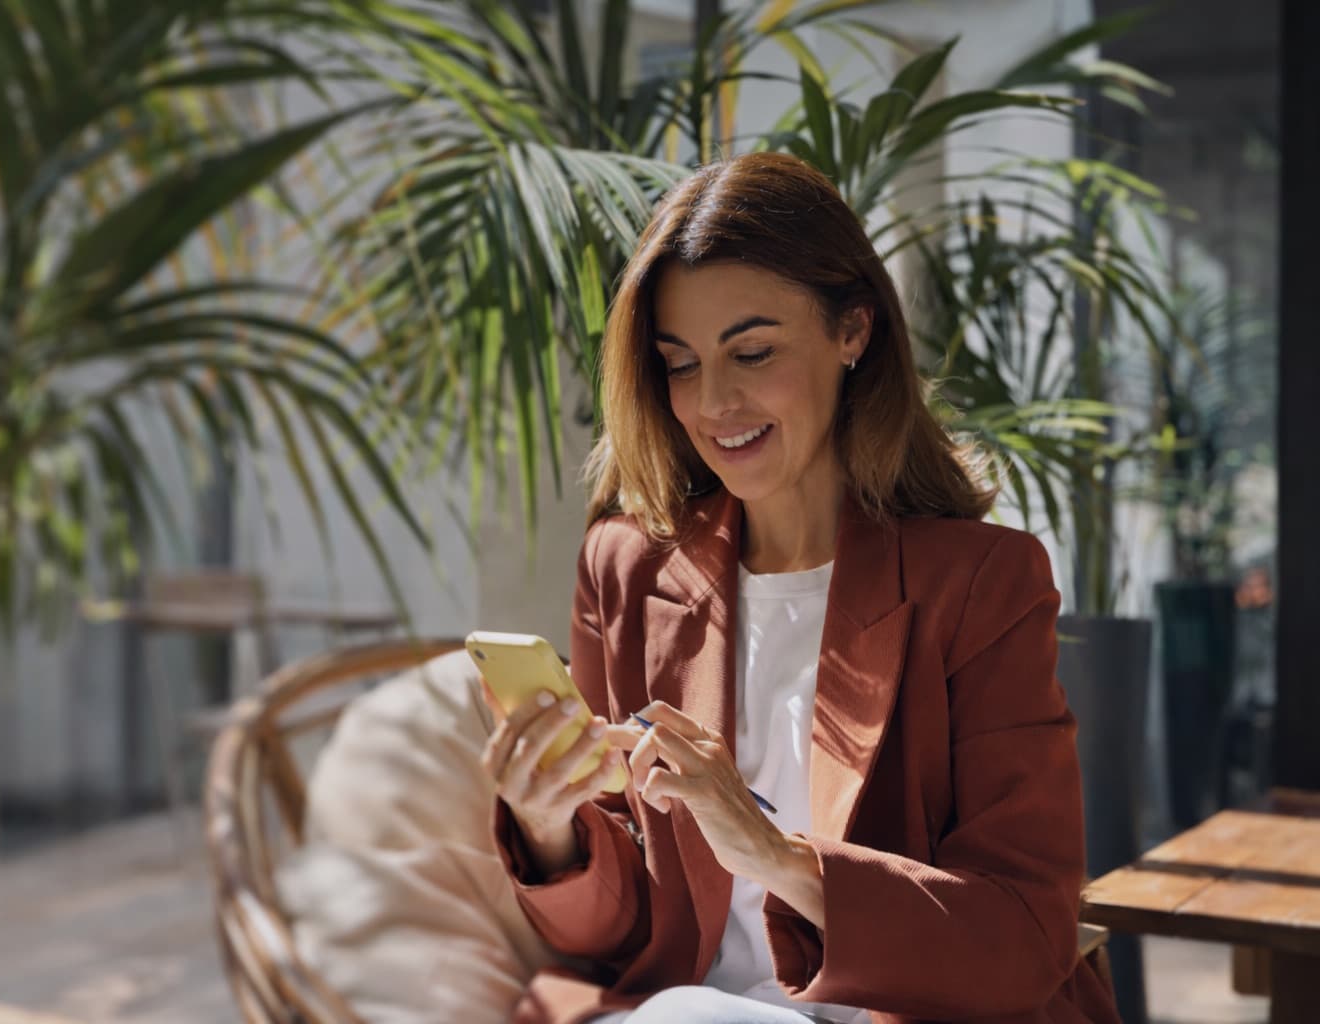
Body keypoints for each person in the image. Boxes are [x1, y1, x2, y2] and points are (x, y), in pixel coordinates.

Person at [478, 152, 1119, 1024]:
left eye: (752, 352)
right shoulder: (625, 569)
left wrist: (777, 856)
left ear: (853, 331)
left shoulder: (980, 583)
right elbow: (617, 937)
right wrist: (550, 830)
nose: (714, 403)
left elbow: (1023, 933)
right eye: (681, 363)